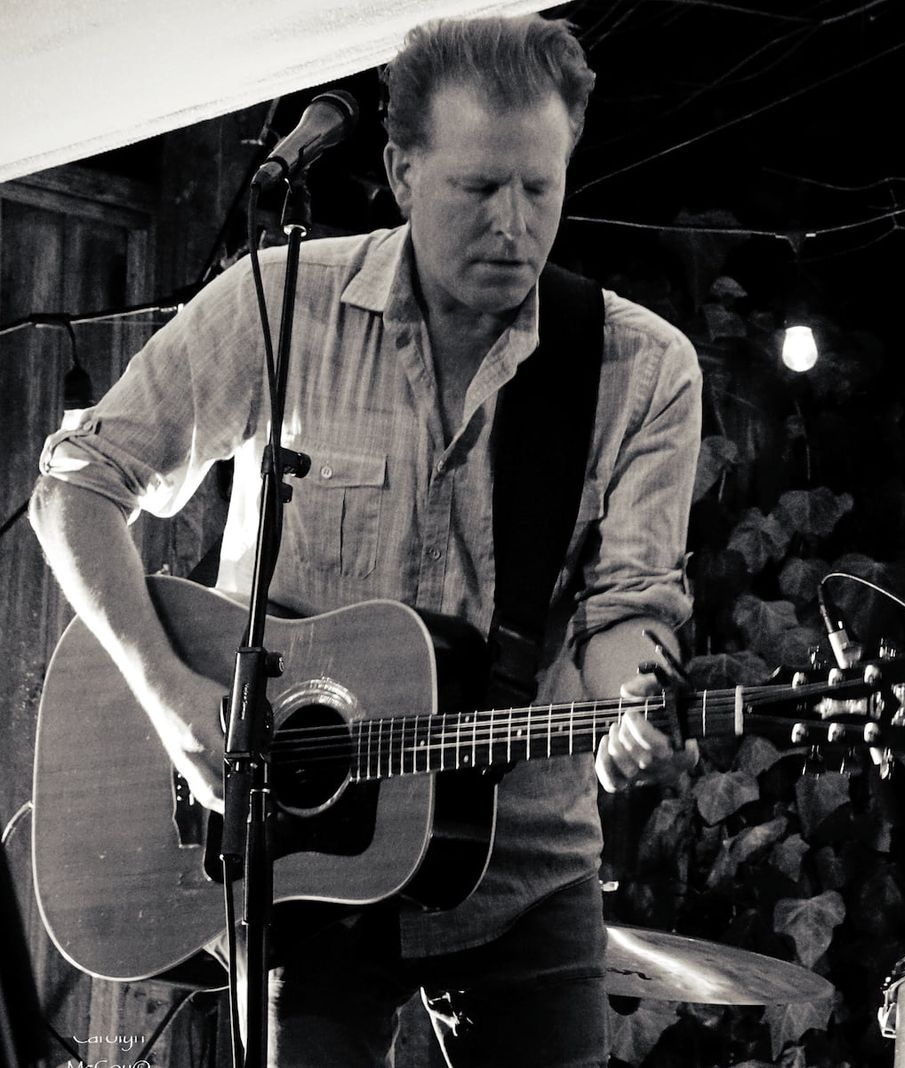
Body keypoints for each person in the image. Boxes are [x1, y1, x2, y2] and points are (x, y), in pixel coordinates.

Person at [29, 13, 698, 1067]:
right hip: (296, 867)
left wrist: (633, 706)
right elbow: (74, 489)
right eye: (479, 188)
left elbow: (629, 610)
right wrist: (169, 695)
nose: (514, 225)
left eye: (540, 188)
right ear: (399, 172)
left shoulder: (642, 369)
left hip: (520, 865)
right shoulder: (276, 304)